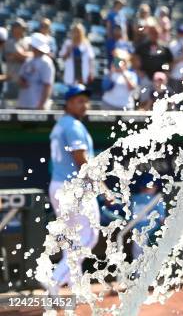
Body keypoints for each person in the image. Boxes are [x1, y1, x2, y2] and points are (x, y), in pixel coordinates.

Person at [47, 84, 100, 294]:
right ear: (68, 103)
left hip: (59, 186)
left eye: (85, 100)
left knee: (73, 240)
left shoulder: (61, 125)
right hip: (74, 188)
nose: (84, 104)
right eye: (79, 100)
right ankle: (54, 279)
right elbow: (81, 159)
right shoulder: (73, 126)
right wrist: (102, 186)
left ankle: (75, 287)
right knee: (88, 238)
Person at [17, 33, 55, 109]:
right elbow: (20, 78)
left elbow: (47, 86)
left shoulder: (46, 62)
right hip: (23, 104)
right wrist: (21, 81)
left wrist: (41, 105)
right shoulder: (28, 60)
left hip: (36, 106)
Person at [4, 19, 32, 99]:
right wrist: (26, 55)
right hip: (13, 79)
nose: (23, 30)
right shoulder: (10, 42)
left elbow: (30, 56)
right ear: (14, 29)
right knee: (11, 106)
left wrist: (25, 55)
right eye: (21, 27)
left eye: (23, 28)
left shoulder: (25, 41)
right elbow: (22, 56)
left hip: (24, 79)